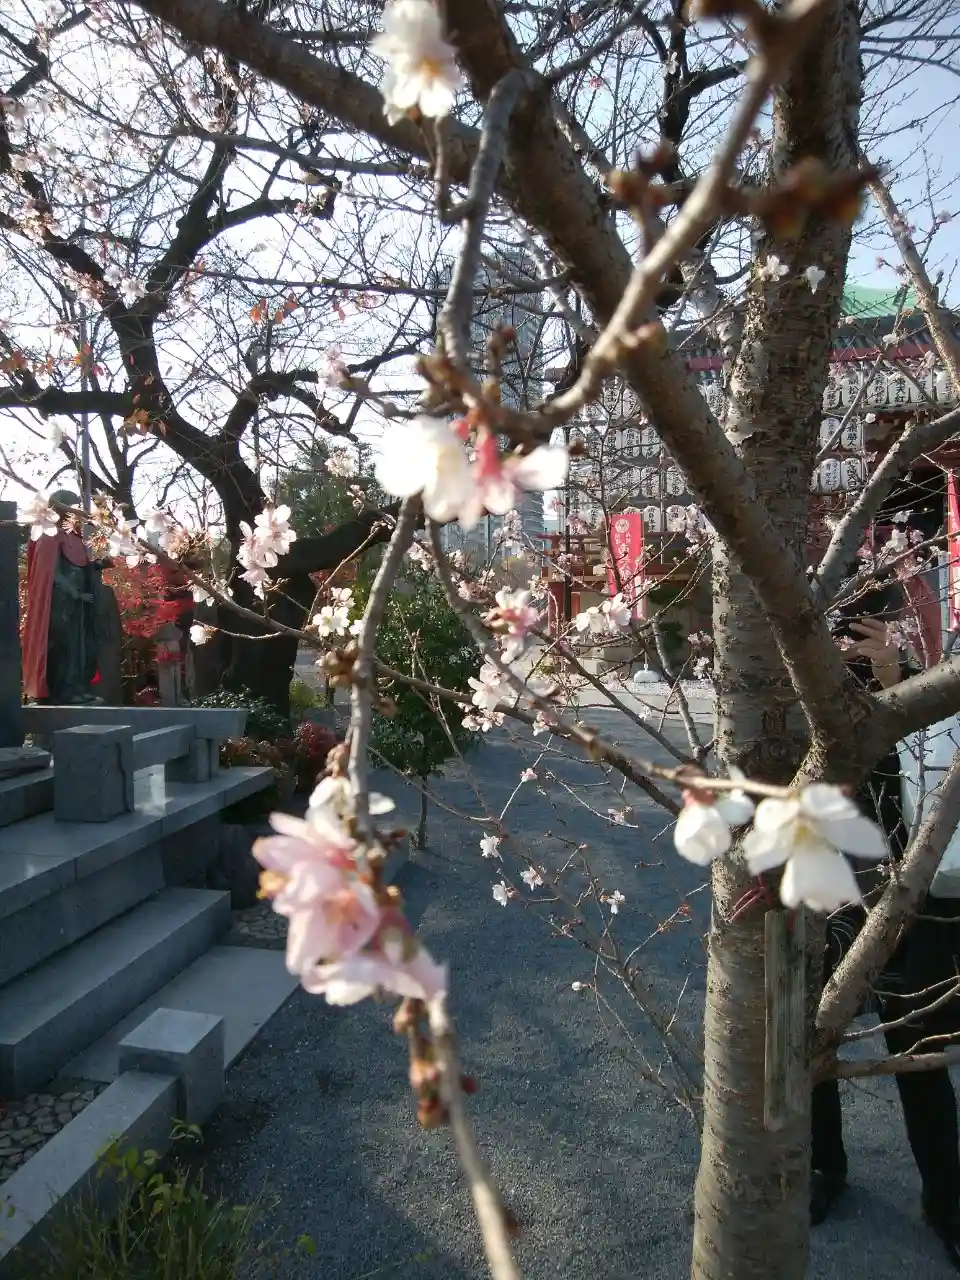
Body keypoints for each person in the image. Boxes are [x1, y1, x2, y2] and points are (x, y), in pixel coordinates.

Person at [812, 577, 960, 1270]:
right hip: (824, 890)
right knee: (811, 1037)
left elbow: (933, 792)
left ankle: (946, 1198)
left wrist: (898, 685)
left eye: (869, 627)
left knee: (916, 1049)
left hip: (911, 899)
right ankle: (824, 1168)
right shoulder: (803, 693)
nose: (853, 646)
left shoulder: (930, 695)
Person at [22, 490, 104, 705]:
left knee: (80, 646)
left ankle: (78, 686)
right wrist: (74, 593)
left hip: (80, 604)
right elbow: (52, 572)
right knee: (63, 646)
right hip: (60, 603)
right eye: (72, 507)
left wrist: (96, 566)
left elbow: (84, 564)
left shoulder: (76, 537)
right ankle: (63, 691)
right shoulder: (49, 534)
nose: (76, 513)